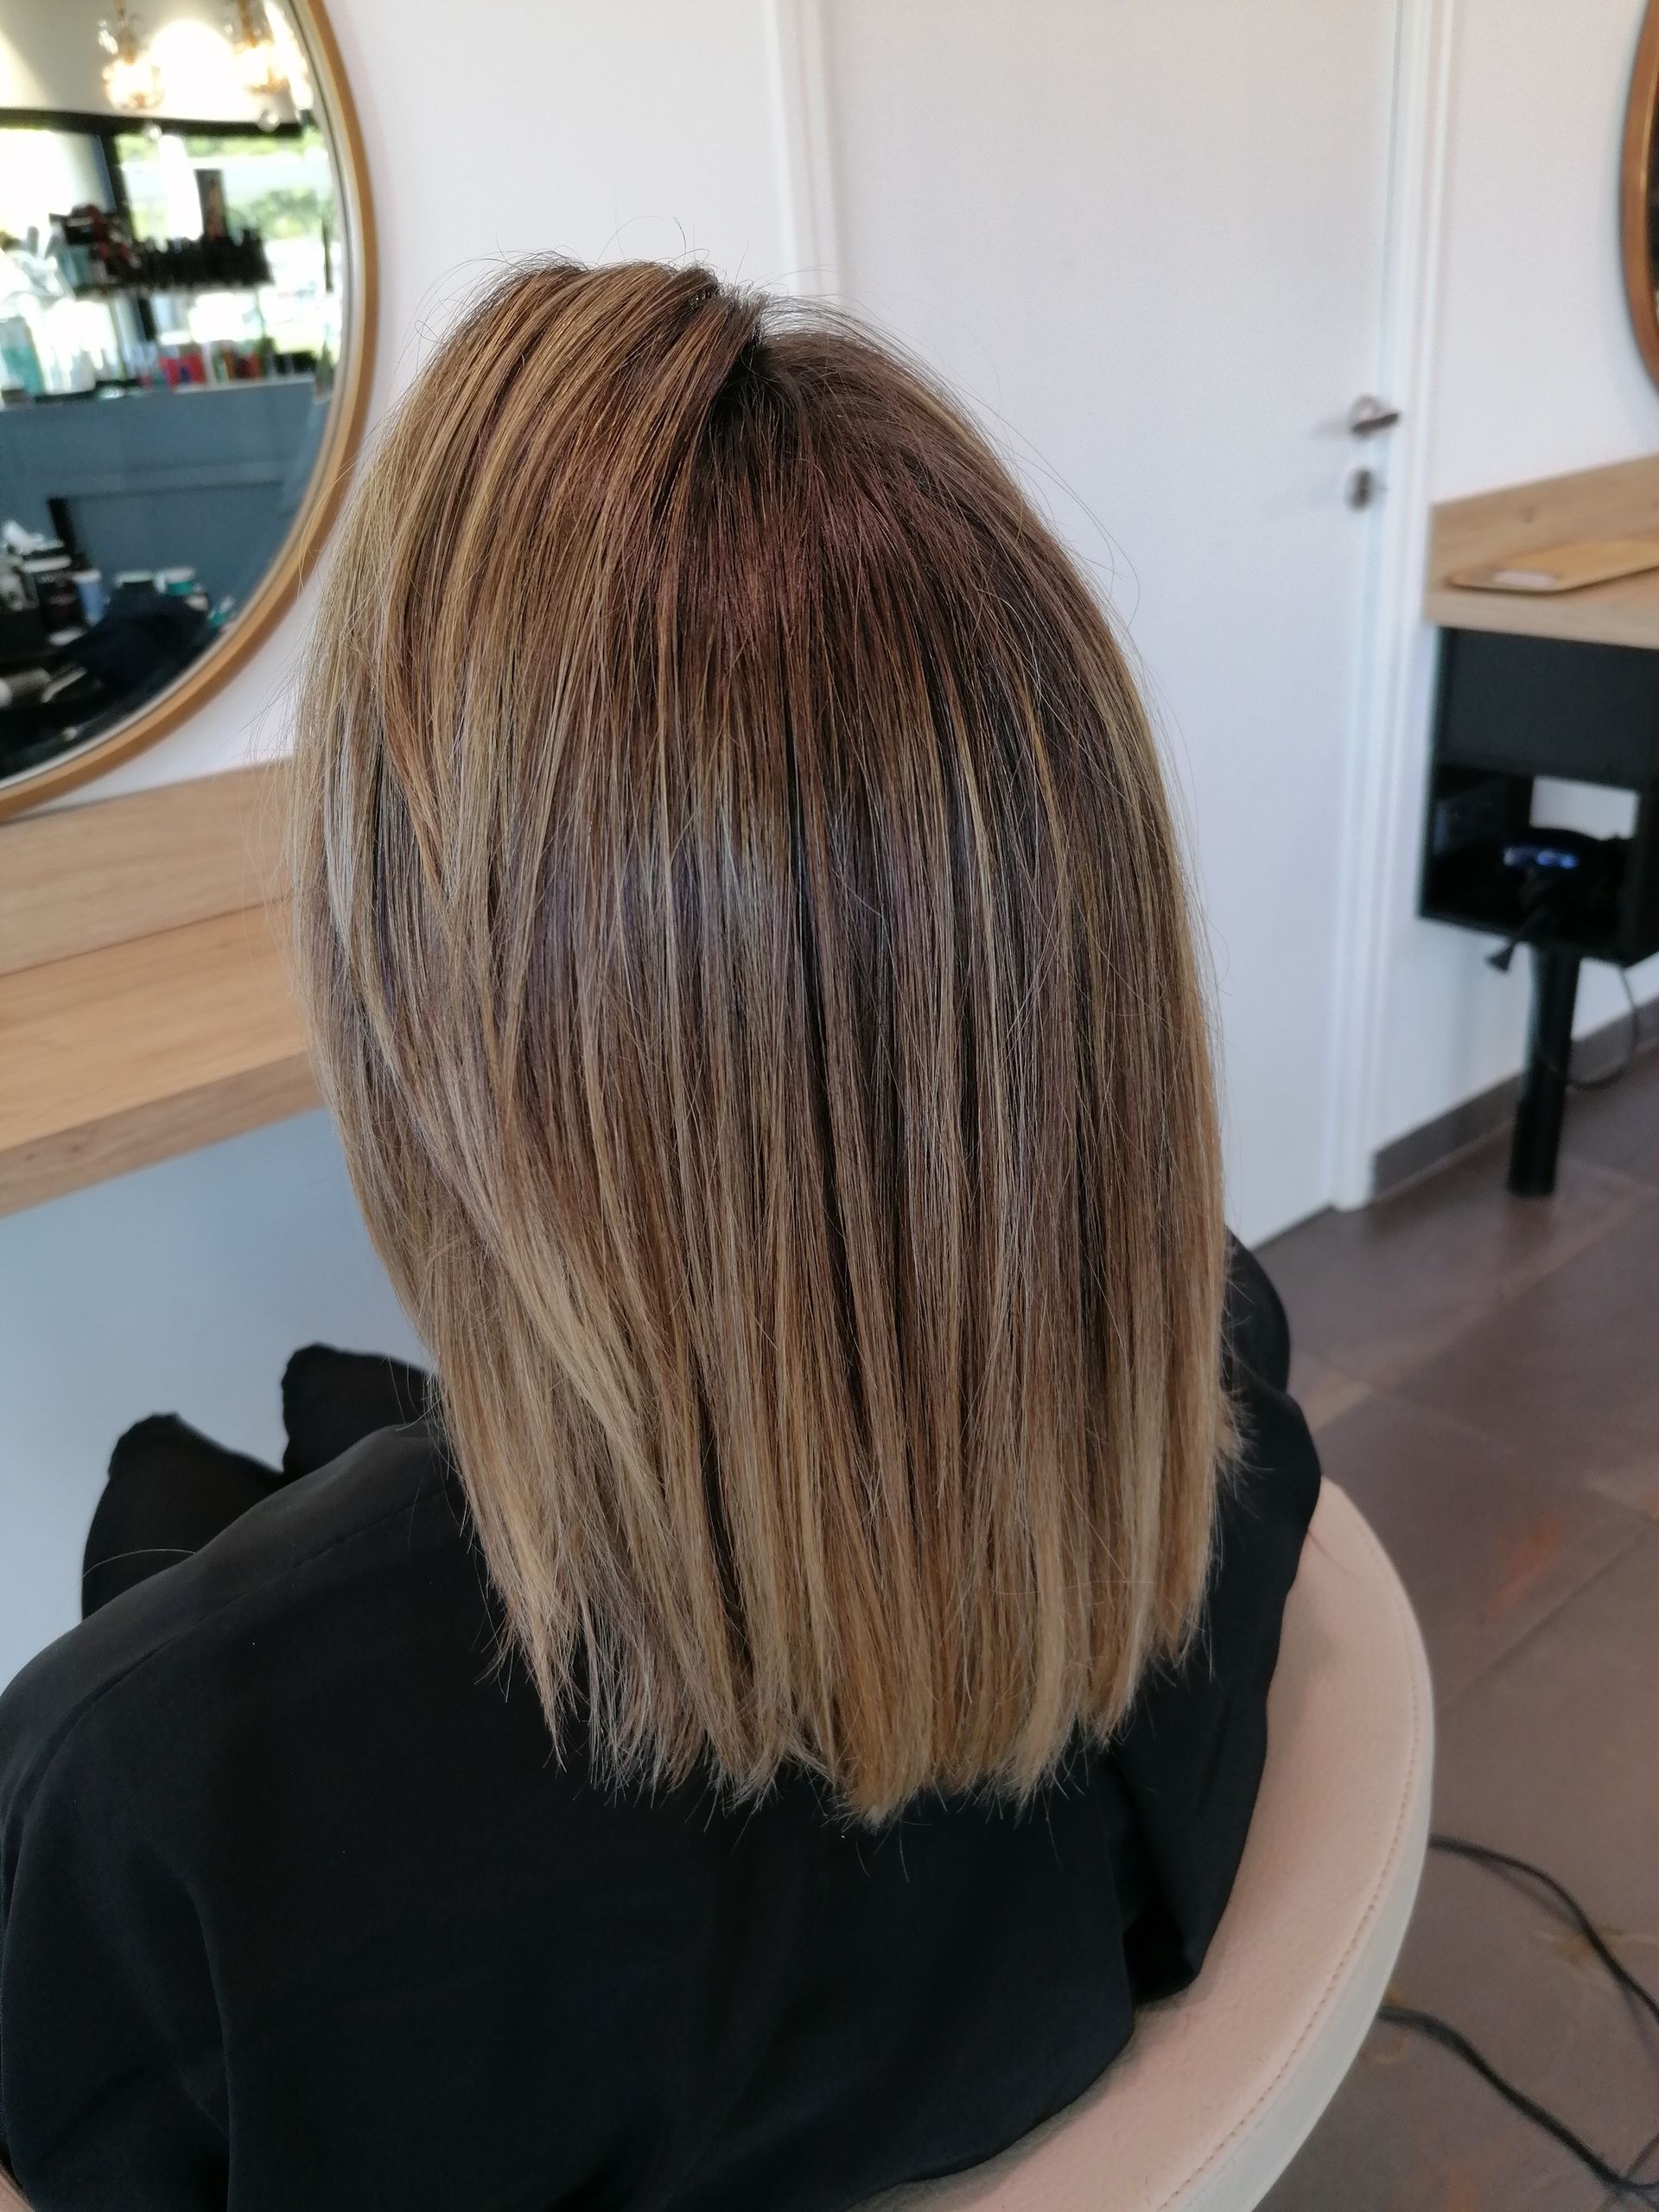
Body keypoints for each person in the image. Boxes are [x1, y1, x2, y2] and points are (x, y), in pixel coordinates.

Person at [0, 260, 1319, 2212]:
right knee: (325, 1410)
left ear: (408, 996)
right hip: (943, 2011)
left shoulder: (145, 1815)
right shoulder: (1219, 1381)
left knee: (159, 1479)